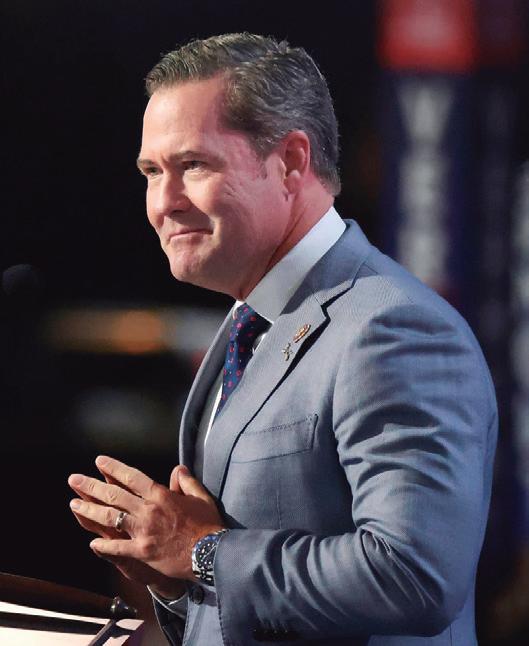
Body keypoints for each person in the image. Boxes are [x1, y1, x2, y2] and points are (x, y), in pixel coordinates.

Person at [68, 33, 498, 645]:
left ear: (292, 161)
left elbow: (415, 577)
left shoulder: (393, 328)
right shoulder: (250, 319)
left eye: (193, 166)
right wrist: (177, 579)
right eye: (151, 172)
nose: (164, 202)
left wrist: (203, 553)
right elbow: (246, 593)